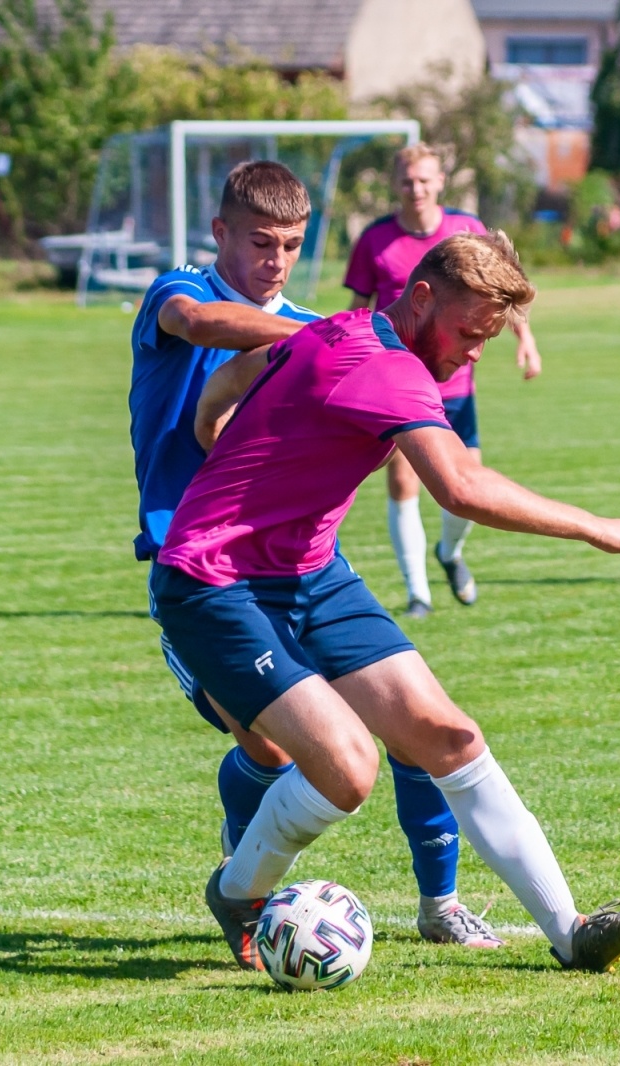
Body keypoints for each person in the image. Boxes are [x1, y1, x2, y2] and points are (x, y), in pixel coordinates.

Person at [161, 231, 620, 974]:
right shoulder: (389, 368)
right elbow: (460, 487)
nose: (476, 354)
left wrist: (214, 434)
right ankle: (238, 892)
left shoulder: (338, 328)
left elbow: (239, 375)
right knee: (349, 766)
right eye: (469, 333)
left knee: (450, 737)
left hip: (310, 572)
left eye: (489, 339)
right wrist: (596, 526)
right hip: (216, 582)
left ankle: (575, 934)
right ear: (422, 298)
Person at [128, 161, 502, 948]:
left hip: (296, 562)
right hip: (198, 568)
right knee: (267, 747)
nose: (276, 260)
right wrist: (325, 336)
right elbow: (201, 325)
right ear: (221, 232)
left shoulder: (317, 327)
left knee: (413, 720)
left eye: (292, 245)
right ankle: (244, 888)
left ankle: (441, 904)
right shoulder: (180, 292)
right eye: (260, 242)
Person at [344, 143, 543, 618]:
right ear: (395, 184)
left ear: (440, 182)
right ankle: (419, 594)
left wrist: (526, 339)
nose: (416, 188)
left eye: (424, 179)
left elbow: (502, 292)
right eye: (407, 180)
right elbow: (357, 306)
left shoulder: (466, 229)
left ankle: (449, 553)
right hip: (400, 386)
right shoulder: (375, 239)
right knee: (402, 482)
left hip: (455, 389)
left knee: (467, 487)